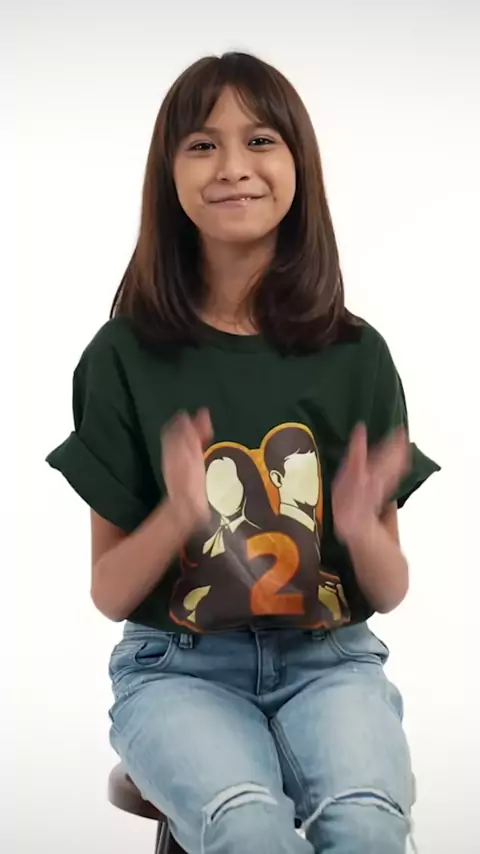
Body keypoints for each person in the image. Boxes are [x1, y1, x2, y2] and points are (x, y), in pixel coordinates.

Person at [46, 51, 440, 854]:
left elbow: (390, 589)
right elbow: (111, 593)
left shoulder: (357, 355)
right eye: (202, 144)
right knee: (248, 824)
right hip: (177, 669)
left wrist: (359, 527)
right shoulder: (122, 356)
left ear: (299, 165)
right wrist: (179, 514)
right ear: (169, 174)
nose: (232, 167)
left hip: (331, 663)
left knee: (367, 820)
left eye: (260, 141)